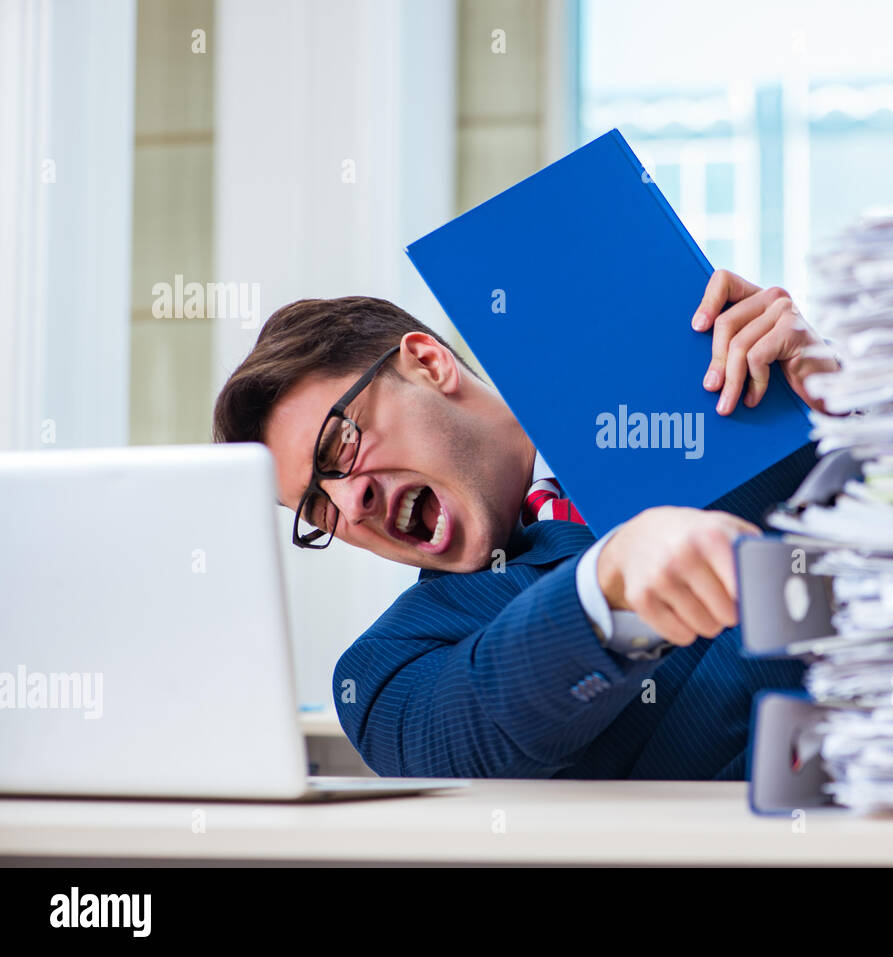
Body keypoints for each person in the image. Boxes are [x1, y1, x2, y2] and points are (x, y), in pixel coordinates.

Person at [212, 270, 839, 779]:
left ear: (428, 363)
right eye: (316, 510)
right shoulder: (385, 672)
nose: (349, 506)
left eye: (338, 448)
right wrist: (606, 585)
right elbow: (469, 732)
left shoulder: (737, 412)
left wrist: (854, 405)